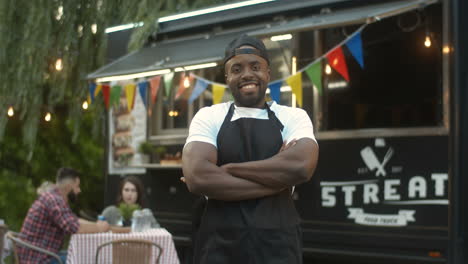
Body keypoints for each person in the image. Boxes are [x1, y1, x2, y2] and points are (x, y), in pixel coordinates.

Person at [182, 34, 319, 263]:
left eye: (255, 67)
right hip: (220, 246)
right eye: (237, 69)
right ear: (227, 77)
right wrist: (279, 182)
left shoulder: (293, 116)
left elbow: (302, 166)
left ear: (268, 73)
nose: (247, 74)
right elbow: (197, 177)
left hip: (278, 245)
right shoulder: (209, 115)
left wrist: (227, 169)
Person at [18, 167, 110, 264]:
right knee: (86, 259)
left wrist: (96, 225)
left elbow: (74, 220)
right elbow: (74, 228)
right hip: (38, 259)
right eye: (77, 186)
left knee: (81, 255)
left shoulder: (53, 197)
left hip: (40, 254)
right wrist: (99, 228)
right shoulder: (54, 200)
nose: (79, 191)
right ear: (69, 185)